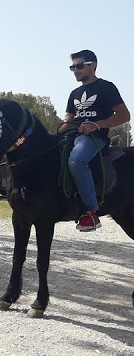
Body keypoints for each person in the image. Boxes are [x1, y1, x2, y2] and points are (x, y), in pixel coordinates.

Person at [57, 49, 130, 231]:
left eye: (80, 66)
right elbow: (69, 121)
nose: (76, 70)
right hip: (72, 135)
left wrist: (96, 125)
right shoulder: (74, 93)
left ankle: (91, 212)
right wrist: (55, 134)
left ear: (93, 65)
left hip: (94, 138)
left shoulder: (106, 87)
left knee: (76, 161)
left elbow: (124, 115)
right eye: (73, 67)